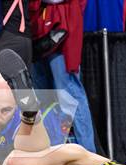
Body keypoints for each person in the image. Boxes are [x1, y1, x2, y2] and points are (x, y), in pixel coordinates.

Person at [29, 0, 97, 153]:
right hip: (36, 27)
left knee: (69, 93)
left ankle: (88, 154)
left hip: (61, 25)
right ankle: (50, 150)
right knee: (43, 97)